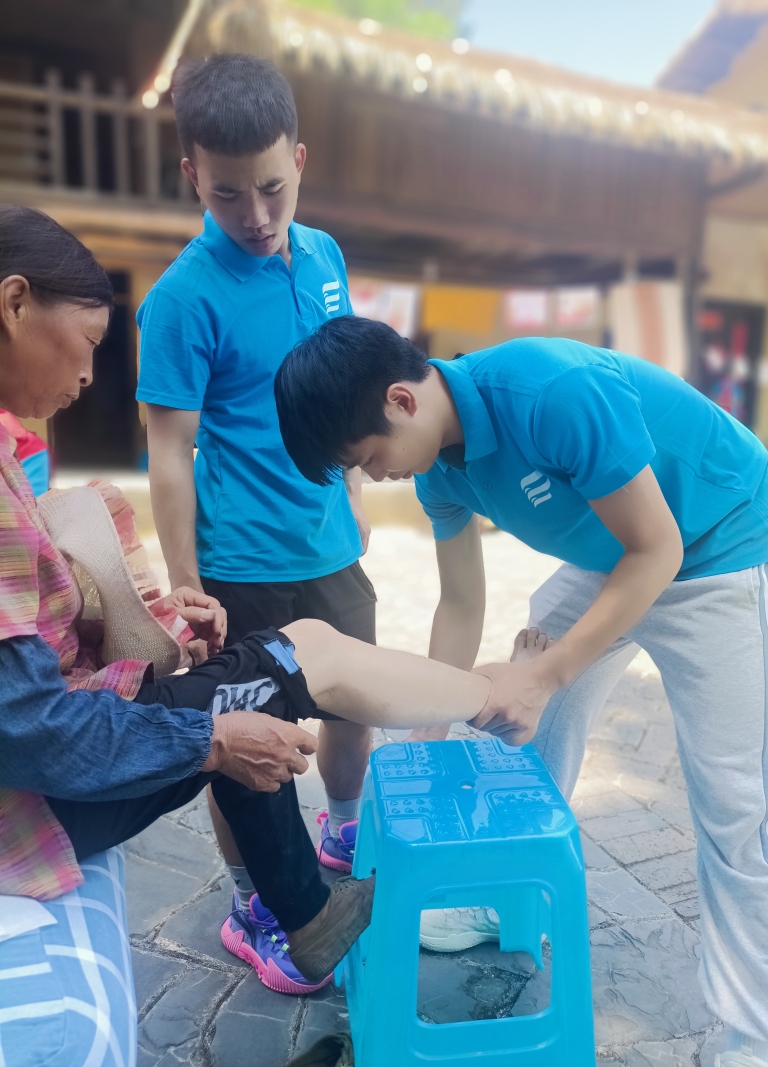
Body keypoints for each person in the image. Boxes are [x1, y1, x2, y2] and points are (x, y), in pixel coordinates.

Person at [0, 205, 539, 1065]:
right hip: (36, 794)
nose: (92, 373)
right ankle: (495, 702)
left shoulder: (12, 448)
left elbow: (31, 654)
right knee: (288, 668)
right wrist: (209, 738)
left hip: (69, 738)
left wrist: (164, 632)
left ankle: (308, 907)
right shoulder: (185, 297)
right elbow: (24, 729)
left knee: (266, 672)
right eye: (89, 342)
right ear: (15, 304)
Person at [274, 314, 768, 1067]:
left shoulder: (553, 391)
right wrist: (428, 732)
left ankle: (752, 1036)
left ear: (401, 400)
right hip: (613, 557)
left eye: (369, 458)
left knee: (737, 803)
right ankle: (508, 901)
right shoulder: (439, 468)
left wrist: (545, 674)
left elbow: (659, 548)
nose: (376, 477)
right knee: (521, 740)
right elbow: (461, 602)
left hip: (721, 548)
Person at [136, 53, 376, 970]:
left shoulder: (324, 257)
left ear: (300, 161)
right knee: (248, 749)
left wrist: (353, 493)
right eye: (228, 193)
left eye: (272, 188)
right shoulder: (181, 298)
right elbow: (169, 450)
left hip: (330, 544)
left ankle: (344, 836)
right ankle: (254, 904)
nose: (257, 216)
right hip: (241, 562)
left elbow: (340, 387)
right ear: (192, 175)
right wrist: (187, 584)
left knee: (354, 704)